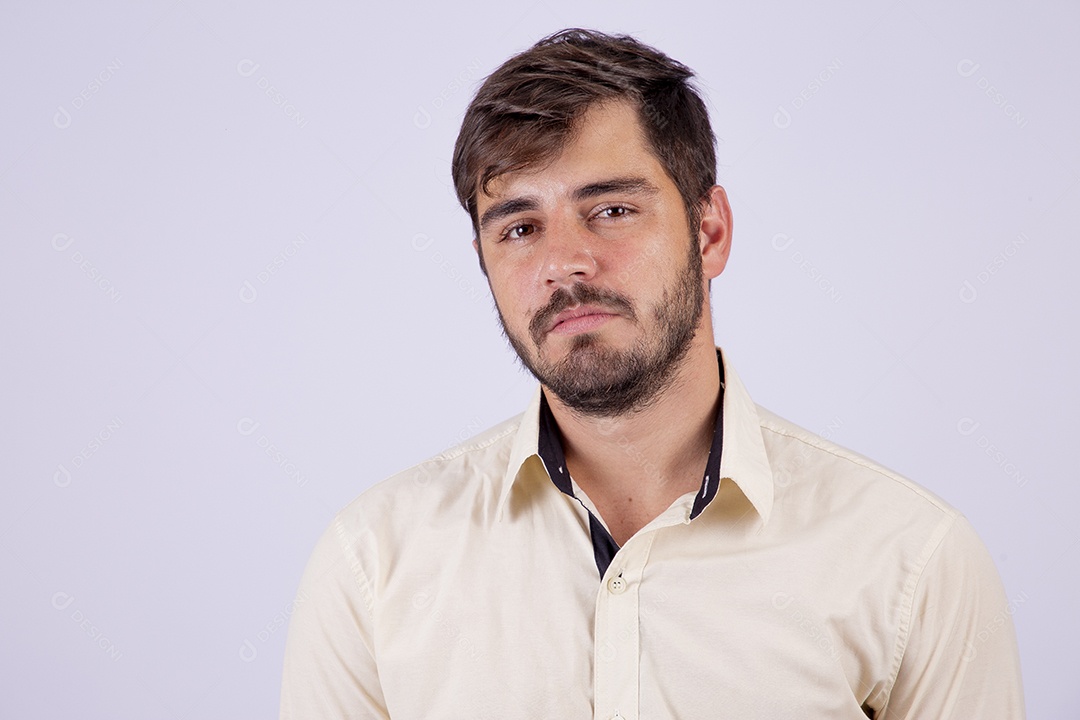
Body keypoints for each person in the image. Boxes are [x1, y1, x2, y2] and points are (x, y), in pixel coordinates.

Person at [280, 29, 1025, 719]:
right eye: (518, 227)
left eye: (609, 209)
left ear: (711, 232)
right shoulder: (373, 564)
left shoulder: (911, 560)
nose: (563, 263)